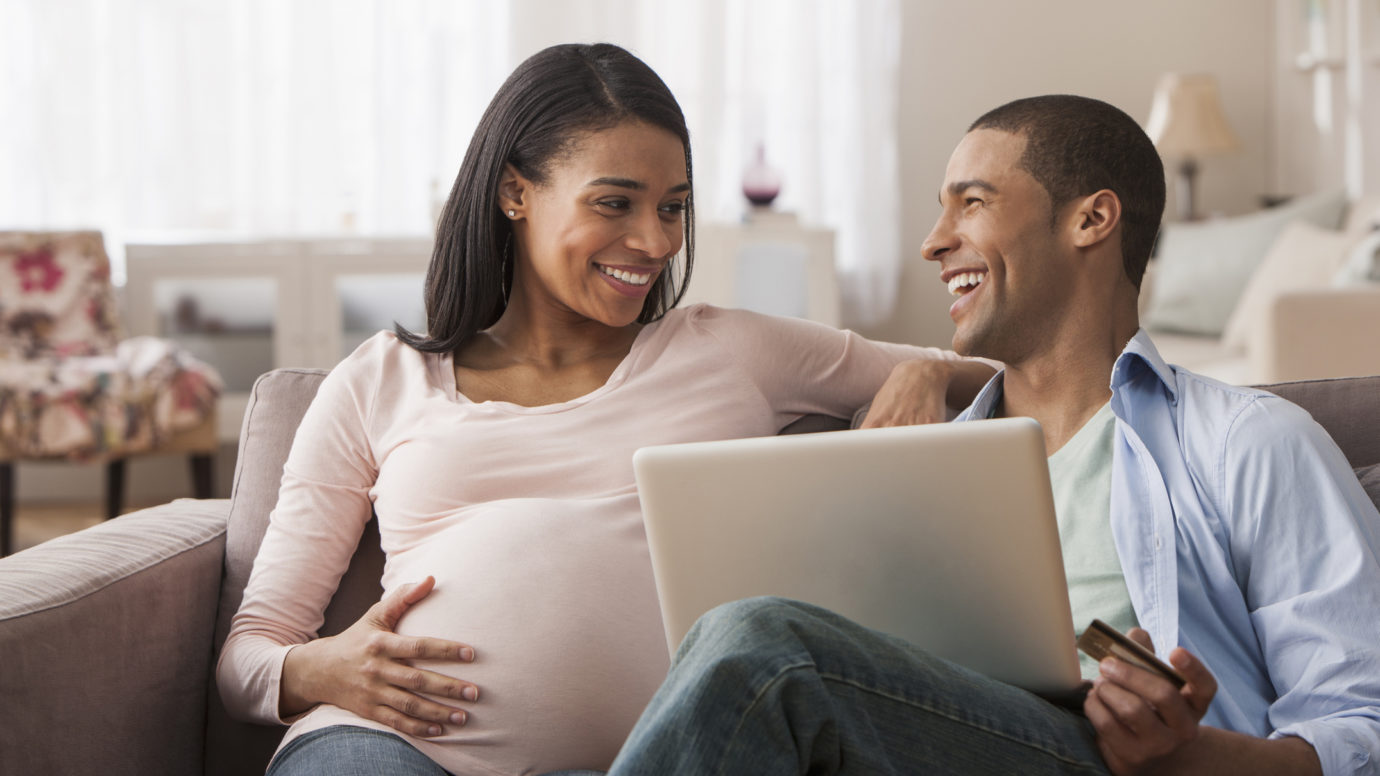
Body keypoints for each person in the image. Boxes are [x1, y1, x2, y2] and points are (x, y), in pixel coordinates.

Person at [215, 43, 995, 776]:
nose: (654, 242)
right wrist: (318, 669)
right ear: (515, 191)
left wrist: (928, 367)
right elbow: (247, 656)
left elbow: (999, 376)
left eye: (673, 207)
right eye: (615, 203)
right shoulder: (380, 380)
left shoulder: (732, 350)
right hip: (385, 750)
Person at [605, 95, 1380, 776]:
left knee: (761, 642)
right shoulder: (923, 462)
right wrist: (932, 376)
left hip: (1104, 763)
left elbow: (1362, 728)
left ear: (1091, 219)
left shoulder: (1252, 443)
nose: (933, 243)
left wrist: (1188, 756)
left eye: (970, 202)